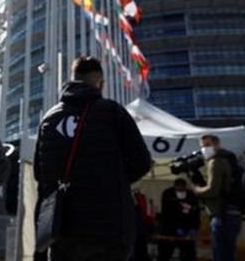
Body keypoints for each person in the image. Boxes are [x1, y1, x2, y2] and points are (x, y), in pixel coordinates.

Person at [34, 56, 152, 261]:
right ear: (101, 83)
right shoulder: (113, 112)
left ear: (73, 78)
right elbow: (141, 162)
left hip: (62, 228)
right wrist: (114, 182)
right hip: (108, 226)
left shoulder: (49, 119)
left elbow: (40, 174)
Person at [191, 134, 242, 261]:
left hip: (222, 212)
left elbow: (213, 190)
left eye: (207, 145)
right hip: (233, 210)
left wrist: (196, 190)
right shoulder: (230, 159)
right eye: (202, 146)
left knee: (220, 252)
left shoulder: (216, 162)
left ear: (217, 145)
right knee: (229, 252)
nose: (204, 149)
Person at [158, 178, 200, 261]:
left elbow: (195, 213)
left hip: (187, 229)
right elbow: (166, 214)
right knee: (165, 253)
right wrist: (174, 228)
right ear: (175, 186)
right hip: (169, 230)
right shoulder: (168, 194)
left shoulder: (191, 195)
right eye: (179, 187)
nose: (181, 189)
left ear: (185, 187)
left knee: (188, 254)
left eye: (182, 188)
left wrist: (194, 228)